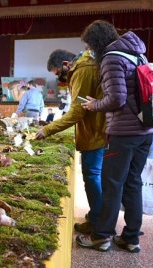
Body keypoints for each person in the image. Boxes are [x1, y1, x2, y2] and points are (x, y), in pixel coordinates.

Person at [76, 20, 153, 253]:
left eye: (90, 45)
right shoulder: (137, 53)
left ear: (97, 42)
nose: (89, 51)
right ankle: (131, 238)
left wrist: (94, 105)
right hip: (146, 130)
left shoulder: (112, 58)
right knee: (133, 182)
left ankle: (101, 236)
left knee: (112, 184)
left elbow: (116, 100)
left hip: (124, 132)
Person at [36, 49, 106, 234]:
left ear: (66, 64)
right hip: (96, 130)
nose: (60, 78)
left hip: (96, 133)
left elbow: (77, 111)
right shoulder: (84, 66)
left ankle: (98, 223)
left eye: (59, 73)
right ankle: (97, 214)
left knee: (92, 176)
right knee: (95, 176)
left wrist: (47, 129)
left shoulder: (82, 70)